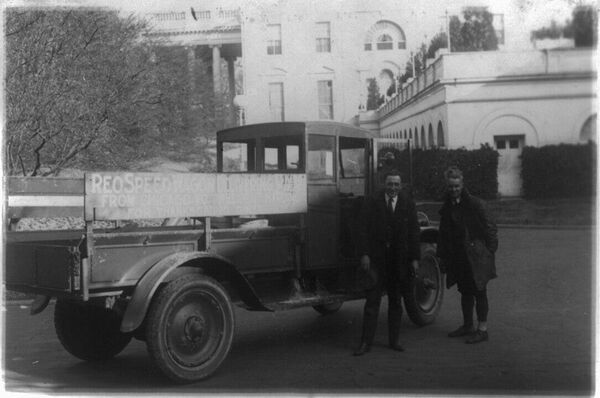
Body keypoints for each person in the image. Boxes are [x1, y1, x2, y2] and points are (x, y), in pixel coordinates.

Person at [353, 170, 420, 356]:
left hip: (398, 261)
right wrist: (364, 254)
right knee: (372, 302)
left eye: (396, 184)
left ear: (401, 185)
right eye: (390, 184)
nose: (393, 188)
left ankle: (394, 341)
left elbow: (414, 231)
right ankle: (366, 343)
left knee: (395, 302)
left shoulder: (407, 202)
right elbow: (362, 229)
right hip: (376, 260)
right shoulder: (372, 201)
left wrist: (415, 258)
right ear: (384, 184)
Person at [437, 166, 498, 344]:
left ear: (462, 185)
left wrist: (489, 252)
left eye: (456, 186)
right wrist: (442, 255)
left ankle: (482, 329)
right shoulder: (447, 207)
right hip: (459, 256)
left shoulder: (475, 204)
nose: (454, 190)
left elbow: (490, 228)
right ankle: (467, 325)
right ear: (447, 186)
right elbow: (443, 232)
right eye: (450, 186)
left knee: (479, 291)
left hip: (476, 256)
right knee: (464, 291)